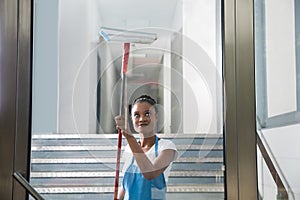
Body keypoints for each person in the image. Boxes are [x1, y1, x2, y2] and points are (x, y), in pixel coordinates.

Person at [115, 95, 178, 200]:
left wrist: (130, 138)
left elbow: (150, 174)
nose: (142, 119)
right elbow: (125, 187)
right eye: (136, 115)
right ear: (131, 118)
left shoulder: (167, 147)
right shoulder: (129, 149)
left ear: (156, 116)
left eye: (147, 114)